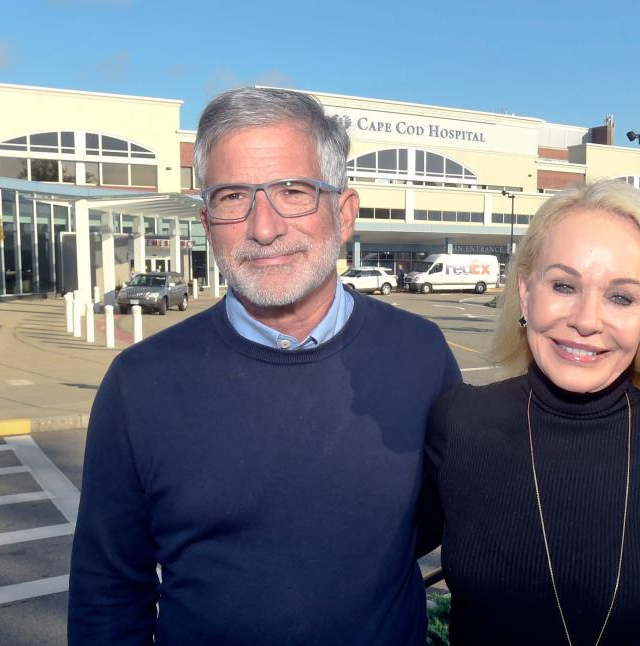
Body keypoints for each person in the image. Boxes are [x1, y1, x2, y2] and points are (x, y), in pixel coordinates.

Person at [68, 87, 461, 645]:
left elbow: (438, 524)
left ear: (343, 213)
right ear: (207, 222)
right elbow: (107, 595)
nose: (264, 227)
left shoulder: (420, 355)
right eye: (233, 197)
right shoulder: (140, 384)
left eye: (293, 191)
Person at [418, 181, 640, 645]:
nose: (586, 320)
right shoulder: (459, 421)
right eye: (564, 285)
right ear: (525, 292)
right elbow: (371, 558)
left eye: (621, 297)